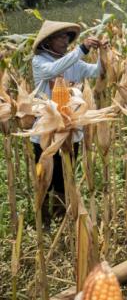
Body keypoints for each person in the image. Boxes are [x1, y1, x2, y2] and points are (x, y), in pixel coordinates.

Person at [31, 20, 103, 223]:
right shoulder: (39, 61)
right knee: (43, 176)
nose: (65, 41)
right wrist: (82, 49)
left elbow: (96, 72)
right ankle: (42, 218)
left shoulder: (73, 61)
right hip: (46, 132)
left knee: (65, 175)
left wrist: (104, 54)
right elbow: (53, 71)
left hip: (70, 130)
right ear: (48, 41)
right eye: (60, 37)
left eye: (67, 37)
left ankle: (60, 216)